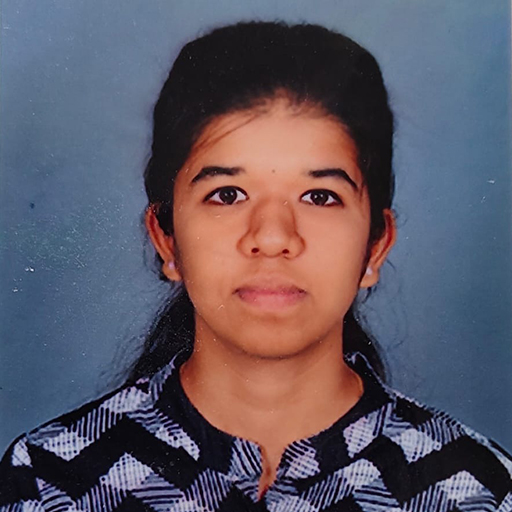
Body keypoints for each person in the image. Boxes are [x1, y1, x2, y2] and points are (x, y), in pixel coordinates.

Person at [1, 21, 511, 512]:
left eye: (320, 195)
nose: (272, 237)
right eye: (227, 194)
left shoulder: (477, 491)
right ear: (166, 238)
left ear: (375, 246)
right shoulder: (49, 482)